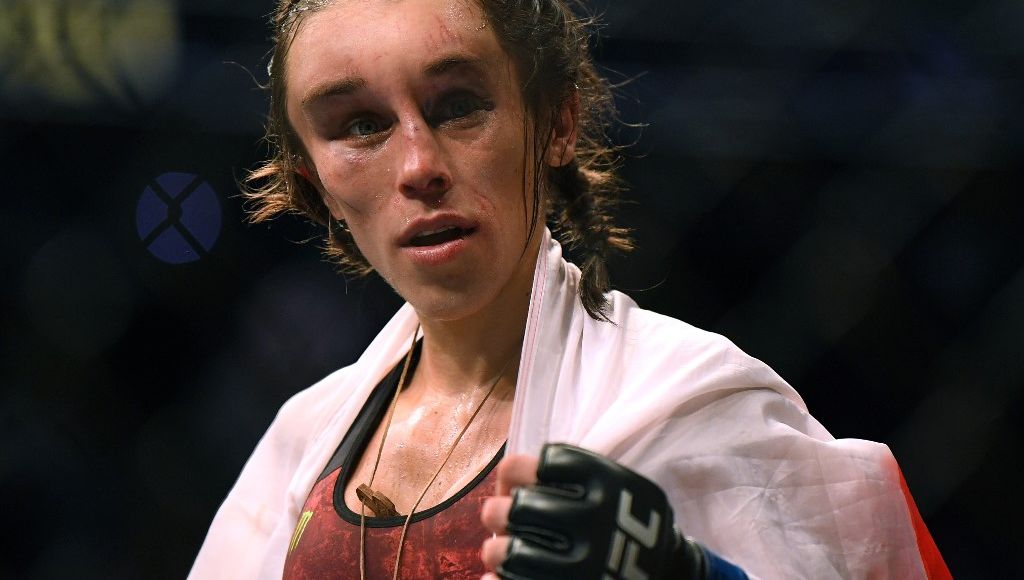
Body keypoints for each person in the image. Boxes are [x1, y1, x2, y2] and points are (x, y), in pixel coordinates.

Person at [191, 0, 951, 578]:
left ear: (556, 123)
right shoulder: (302, 440)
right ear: (315, 185)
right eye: (360, 125)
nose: (419, 165)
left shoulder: (686, 401)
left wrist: (696, 578)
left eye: (458, 105)